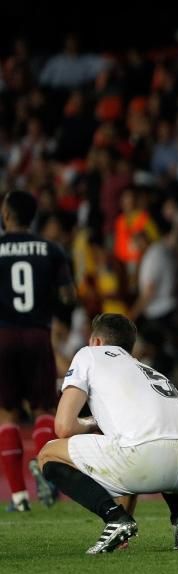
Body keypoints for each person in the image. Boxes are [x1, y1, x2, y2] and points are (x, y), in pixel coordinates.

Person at [37, 314, 178, 554]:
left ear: (96, 342)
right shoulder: (146, 369)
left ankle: (114, 518)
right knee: (143, 442)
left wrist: (91, 423)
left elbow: (64, 427)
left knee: (48, 454)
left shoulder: (89, 354)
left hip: (146, 458)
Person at [0, 191, 75, 512]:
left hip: (2, 336)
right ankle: (46, 472)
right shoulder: (51, 250)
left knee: (6, 415)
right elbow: (69, 297)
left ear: (7, 215)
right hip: (37, 334)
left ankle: (18, 496)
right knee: (44, 408)